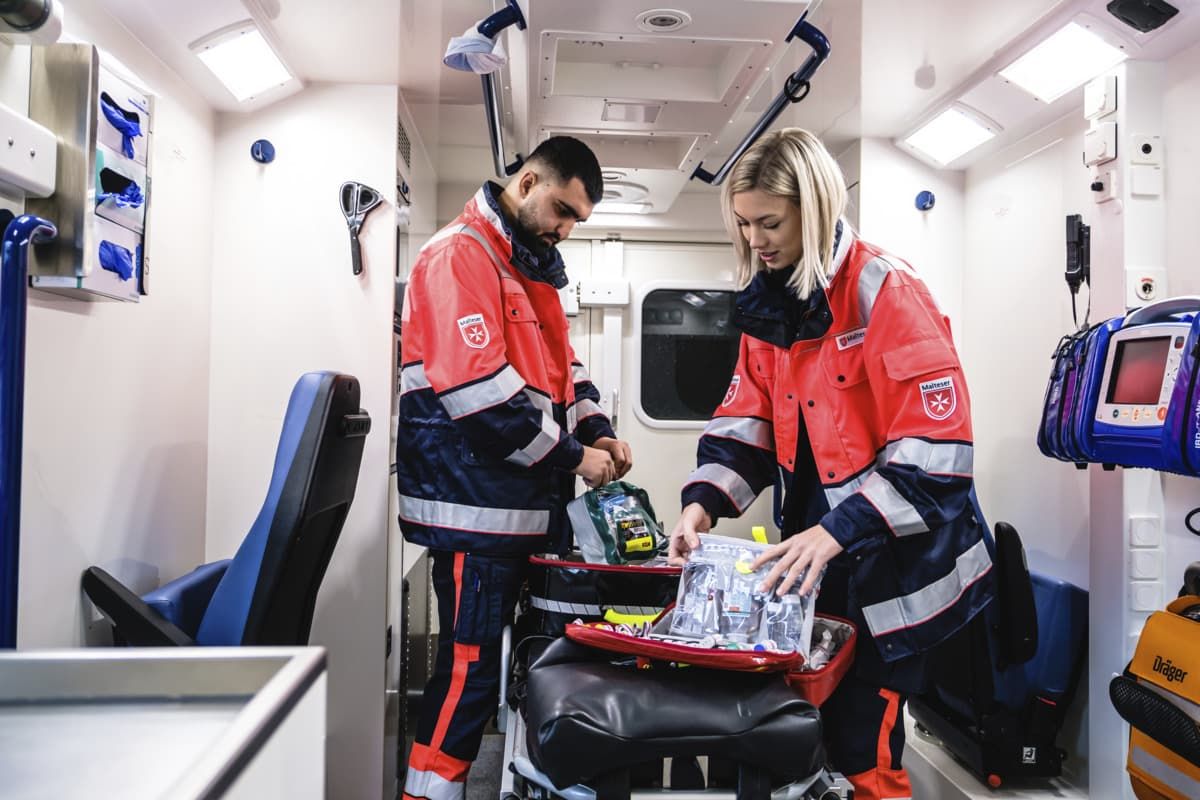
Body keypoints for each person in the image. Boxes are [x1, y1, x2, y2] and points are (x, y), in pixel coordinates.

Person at [669, 128, 994, 800]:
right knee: (799, 738)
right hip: (824, 558)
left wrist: (835, 530)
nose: (756, 238)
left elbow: (937, 453)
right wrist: (700, 502)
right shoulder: (770, 306)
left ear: (813, 209)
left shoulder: (886, 290)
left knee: (862, 747)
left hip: (900, 566)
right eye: (743, 223)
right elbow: (746, 422)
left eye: (770, 221)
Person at [396, 136, 633, 800]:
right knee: (471, 671)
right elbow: (482, 401)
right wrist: (576, 457)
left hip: (525, 512)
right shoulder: (457, 257)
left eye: (575, 221)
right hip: (478, 512)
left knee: (525, 666)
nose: (564, 228)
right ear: (527, 182)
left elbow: (564, 375)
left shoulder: (530, 268)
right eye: (561, 209)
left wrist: (600, 432)